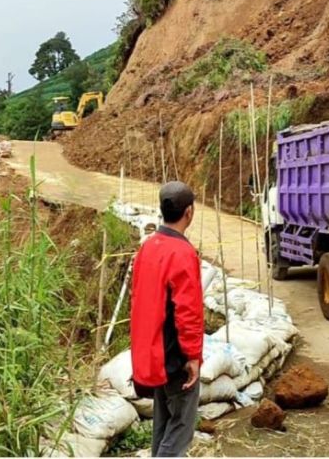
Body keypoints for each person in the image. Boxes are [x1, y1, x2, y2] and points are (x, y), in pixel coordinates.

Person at [130, 181, 204, 457]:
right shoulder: (183, 254)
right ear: (189, 212)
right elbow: (189, 313)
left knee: (163, 421)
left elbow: (138, 300)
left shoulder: (148, 247)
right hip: (174, 354)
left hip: (152, 351)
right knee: (182, 425)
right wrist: (193, 356)